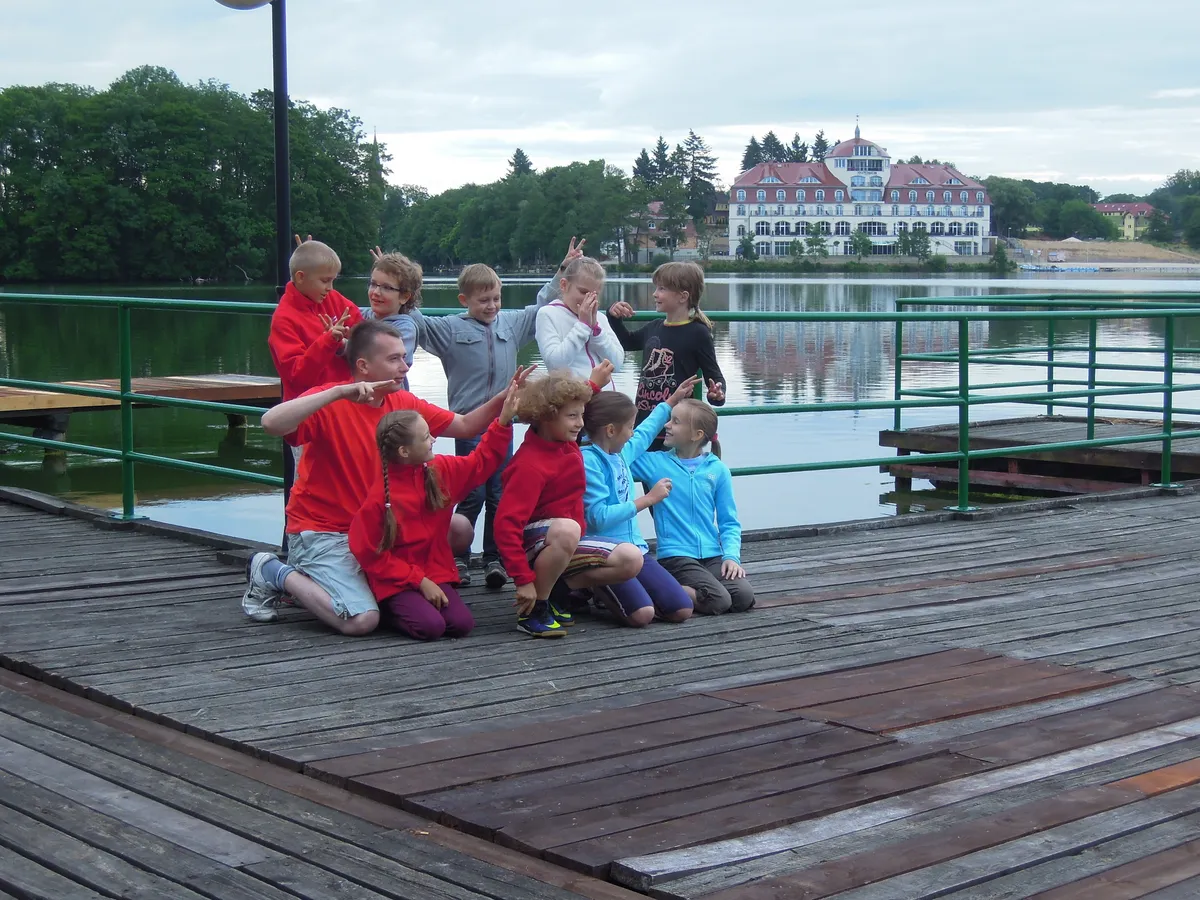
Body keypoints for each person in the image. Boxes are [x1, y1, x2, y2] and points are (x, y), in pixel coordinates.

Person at [240, 319, 529, 636]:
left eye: (405, 357)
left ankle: (364, 590)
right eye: (394, 359)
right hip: (327, 531)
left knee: (459, 528)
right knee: (361, 621)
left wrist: (505, 397)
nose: (405, 366)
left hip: (381, 531)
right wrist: (338, 391)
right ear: (363, 366)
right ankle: (272, 571)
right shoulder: (331, 401)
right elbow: (270, 422)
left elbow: (465, 427)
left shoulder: (401, 403)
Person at [407, 238, 586, 589]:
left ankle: (494, 558)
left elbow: (541, 306)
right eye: (483, 300)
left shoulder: (510, 324)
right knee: (470, 492)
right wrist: (404, 285)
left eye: (496, 299)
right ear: (465, 300)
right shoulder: (449, 329)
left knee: (499, 493)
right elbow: (416, 320)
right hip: (468, 424)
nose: (491, 306)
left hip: (503, 422)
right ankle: (457, 558)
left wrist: (563, 270)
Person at [347, 382, 521, 641]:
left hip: (433, 571)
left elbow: (480, 463)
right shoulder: (380, 498)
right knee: (430, 628)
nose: (434, 440)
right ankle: (387, 607)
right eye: (426, 437)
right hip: (394, 580)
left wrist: (503, 422)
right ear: (404, 451)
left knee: (461, 625)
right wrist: (419, 582)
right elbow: (369, 554)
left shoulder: (439, 470)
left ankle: (413, 604)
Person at [493, 370, 643, 638]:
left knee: (631, 559)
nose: (580, 424)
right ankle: (533, 610)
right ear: (547, 416)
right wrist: (522, 580)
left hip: (564, 541)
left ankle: (555, 593)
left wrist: (593, 384)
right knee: (568, 529)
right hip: (533, 548)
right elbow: (505, 526)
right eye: (572, 417)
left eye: (581, 415)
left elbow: (568, 401)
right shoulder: (529, 464)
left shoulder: (565, 442)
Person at [580, 379, 699, 627]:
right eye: (629, 427)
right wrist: (647, 500)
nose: (633, 432)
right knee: (641, 616)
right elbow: (598, 518)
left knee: (681, 609)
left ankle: (633, 595)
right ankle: (593, 586)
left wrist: (671, 401)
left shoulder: (620, 453)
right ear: (611, 431)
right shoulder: (589, 461)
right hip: (608, 555)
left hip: (636, 550)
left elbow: (646, 432)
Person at [631, 399, 755, 615]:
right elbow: (622, 456)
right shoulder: (654, 463)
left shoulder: (718, 470)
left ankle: (676, 590)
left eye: (675, 422)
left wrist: (731, 557)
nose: (667, 425)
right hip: (676, 555)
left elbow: (729, 522)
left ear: (697, 435)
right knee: (719, 600)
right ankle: (657, 589)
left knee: (743, 596)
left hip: (712, 554)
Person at [607, 261, 726, 450]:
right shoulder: (654, 327)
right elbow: (627, 342)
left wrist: (716, 394)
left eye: (662, 289)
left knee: (671, 479)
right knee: (649, 479)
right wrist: (613, 317)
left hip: (675, 429)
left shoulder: (698, 332)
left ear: (683, 296)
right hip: (646, 425)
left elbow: (715, 376)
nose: (655, 294)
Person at [268, 239, 363, 403]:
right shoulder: (284, 319)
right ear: (300, 278)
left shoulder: (333, 299)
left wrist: (350, 339)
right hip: (309, 410)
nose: (330, 288)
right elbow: (297, 376)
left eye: (333, 280)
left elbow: (364, 334)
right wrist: (329, 341)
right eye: (325, 281)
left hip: (344, 403)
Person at [535, 256, 624, 387]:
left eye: (595, 294)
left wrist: (596, 332)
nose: (588, 299)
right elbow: (555, 365)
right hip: (572, 400)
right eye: (583, 292)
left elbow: (616, 364)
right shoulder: (548, 314)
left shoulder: (600, 318)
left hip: (605, 400)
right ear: (564, 285)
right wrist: (583, 327)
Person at [360, 251, 422, 391]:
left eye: (387, 288)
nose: (376, 292)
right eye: (373, 284)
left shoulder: (405, 327)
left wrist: (342, 343)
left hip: (391, 399)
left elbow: (380, 360)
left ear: (404, 297)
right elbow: (332, 305)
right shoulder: (362, 315)